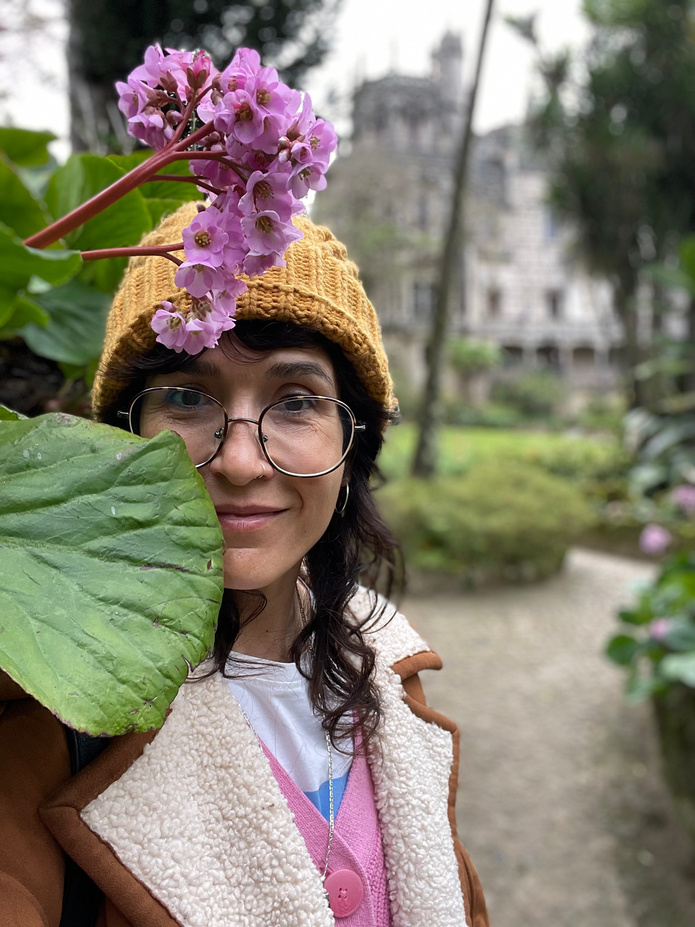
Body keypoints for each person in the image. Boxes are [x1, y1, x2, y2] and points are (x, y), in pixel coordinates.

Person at [0, 202, 489, 927]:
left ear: (352, 446)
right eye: (186, 396)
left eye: (295, 402)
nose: (239, 460)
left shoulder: (389, 668)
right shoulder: (50, 708)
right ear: (121, 440)